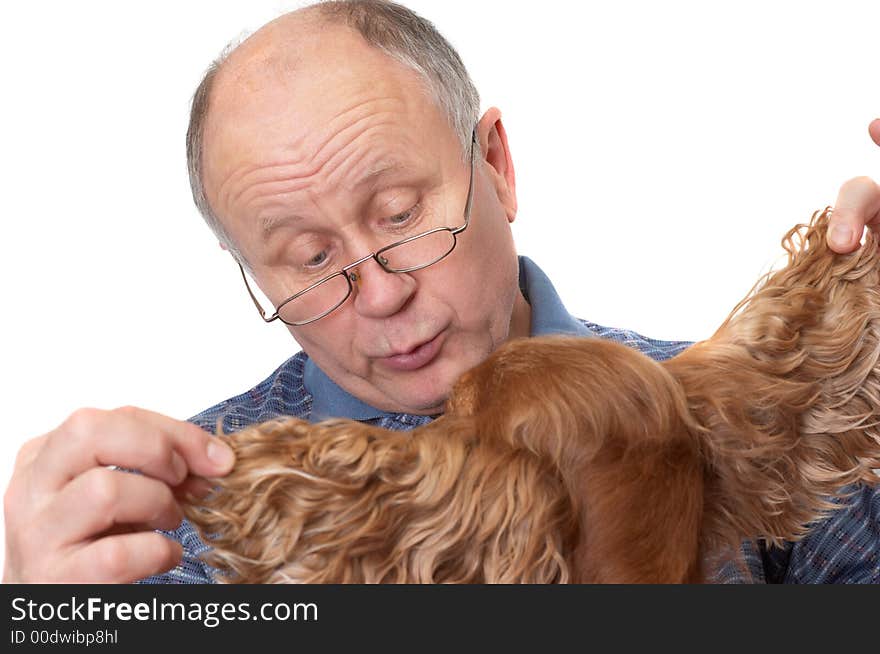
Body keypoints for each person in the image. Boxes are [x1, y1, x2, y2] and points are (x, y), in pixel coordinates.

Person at [4, 0, 880, 584]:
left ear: (495, 165)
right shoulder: (180, 516)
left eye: (397, 214)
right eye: (309, 258)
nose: (377, 295)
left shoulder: (758, 416)